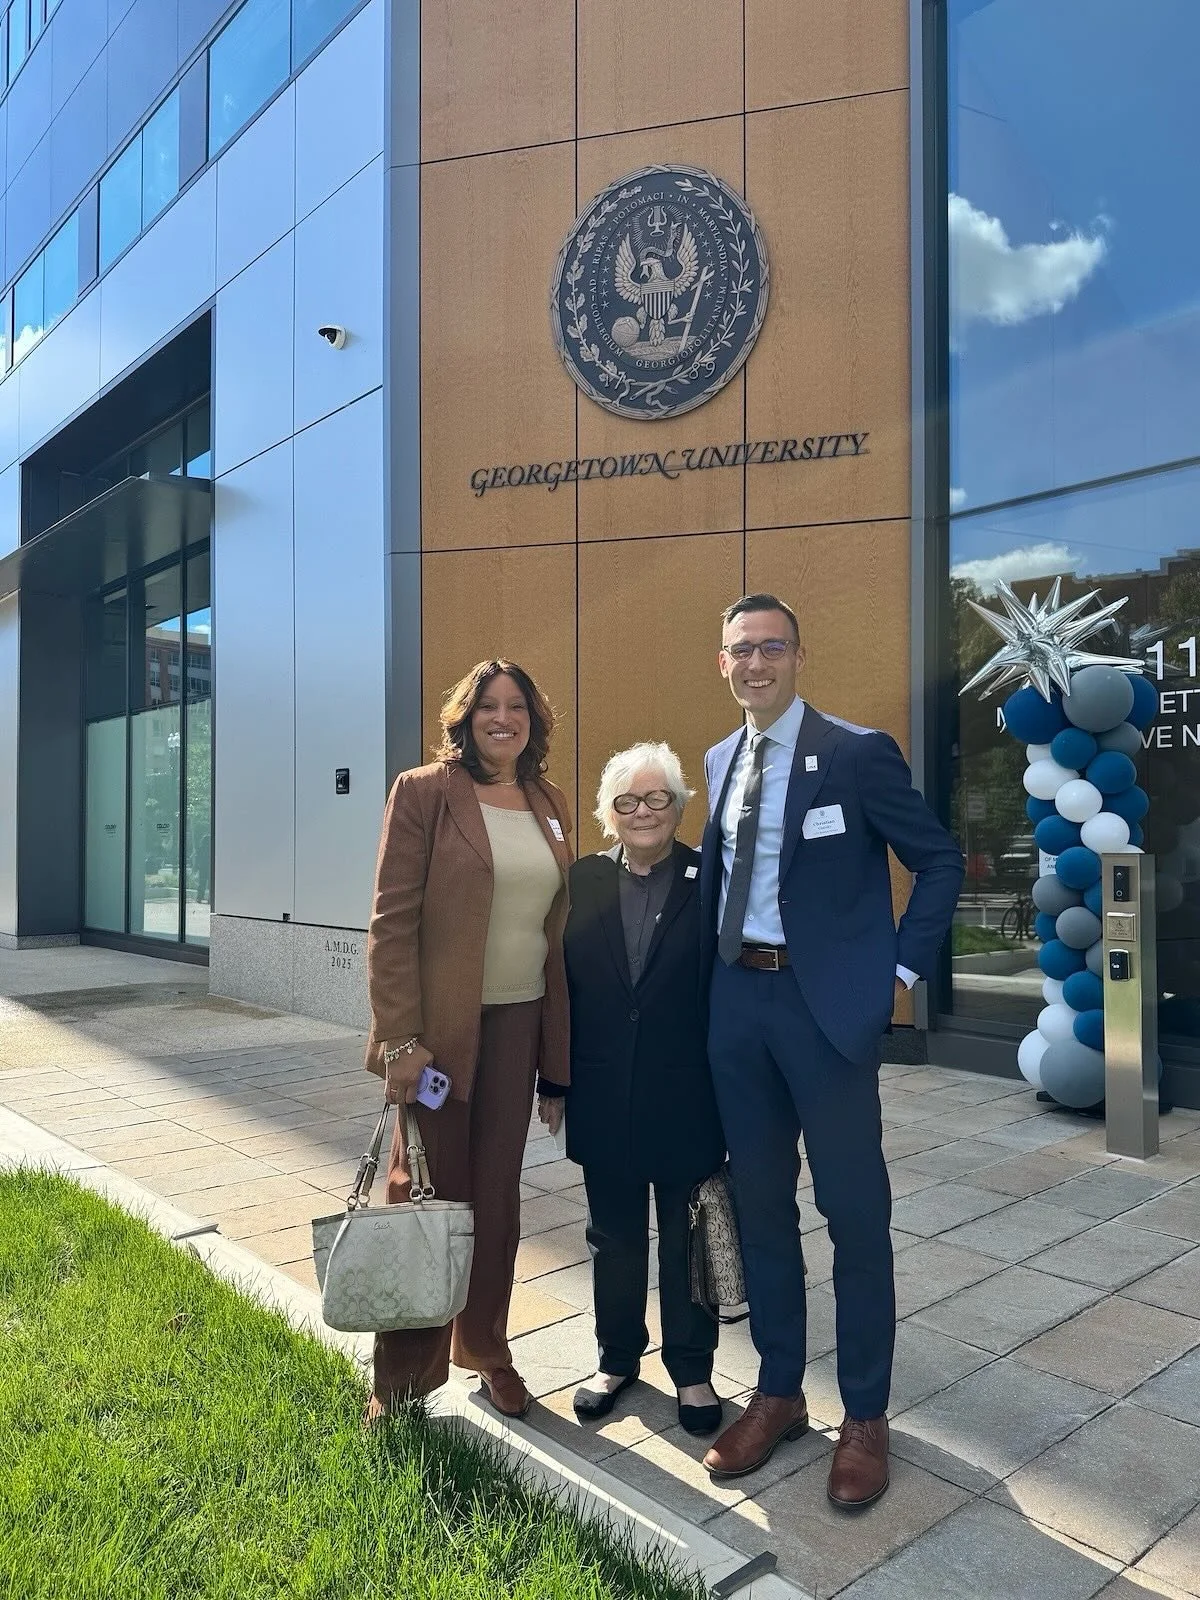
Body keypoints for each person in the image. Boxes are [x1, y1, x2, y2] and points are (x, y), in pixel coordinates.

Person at [698, 593, 963, 1507]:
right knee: (764, 1207)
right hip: (740, 1006)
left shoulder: (856, 752)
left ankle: (865, 1414)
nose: (756, 663)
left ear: (798, 655)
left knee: (855, 1215)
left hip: (827, 1015)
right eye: (741, 650)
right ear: (721, 662)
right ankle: (777, 1393)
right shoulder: (719, 758)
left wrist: (896, 970)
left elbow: (939, 860)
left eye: (772, 646)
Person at [363, 659, 573, 1423]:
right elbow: (391, 924)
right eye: (489, 706)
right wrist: (398, 1041)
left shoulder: (548, 802)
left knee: (496, 1201)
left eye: (518, 706)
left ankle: (486, 1349)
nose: (503, 718)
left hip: (518, 1025)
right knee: (422, 1196)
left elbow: (554, 935)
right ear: (465, 716)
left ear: (532, 722)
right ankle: (403, 1379)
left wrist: (558, 1064)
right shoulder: (423, 793)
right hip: (437, 1042)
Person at [538, 743, 726, 1437]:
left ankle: (692, 1368)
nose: (642, 812)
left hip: (690, 1095)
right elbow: (557, 986)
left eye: (656, 799)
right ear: (606, 814)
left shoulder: (712, 879)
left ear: (679, 807)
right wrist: (552, 1076)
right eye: (626, 802)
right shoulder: (581, 880)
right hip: (602, 1091)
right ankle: (616, 1359)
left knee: (687, 1238)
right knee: (611, 1237)